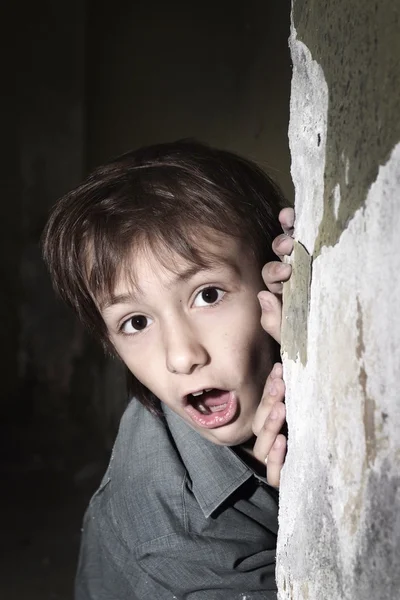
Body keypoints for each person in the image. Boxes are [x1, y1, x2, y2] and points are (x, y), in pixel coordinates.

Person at [42, 140, 294, 599]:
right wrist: (302, 500)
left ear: (274, 279)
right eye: (135, 322)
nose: (181, 357)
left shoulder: (290, 351)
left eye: (209, 295)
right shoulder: (171, 530)